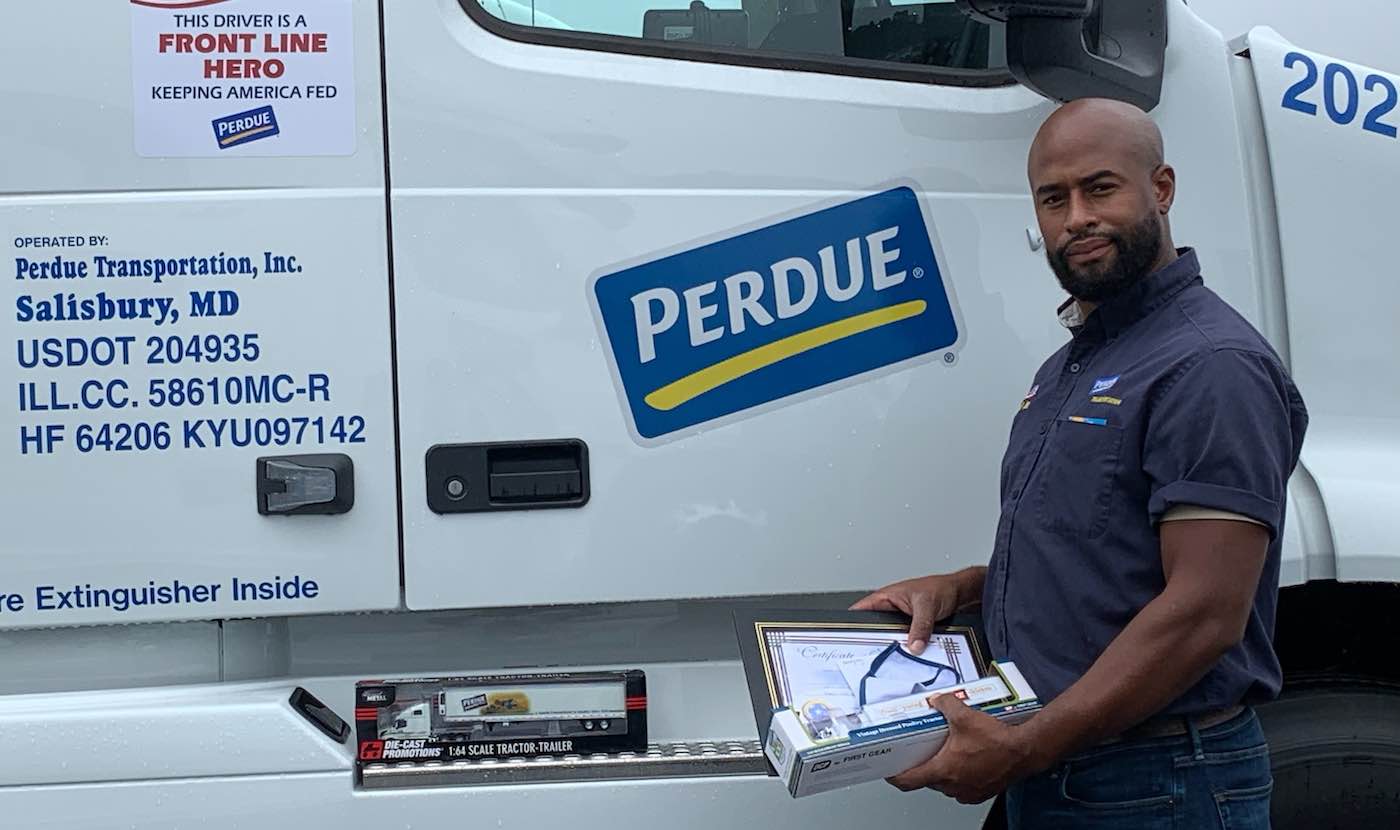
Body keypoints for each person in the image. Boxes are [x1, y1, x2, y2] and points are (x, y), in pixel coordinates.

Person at [852, 97, 1308, 828]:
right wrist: (963, 589)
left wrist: (1023, 747)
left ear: (1161, 188)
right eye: (1053, 199)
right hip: (1069, 771)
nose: (1076, 219)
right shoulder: (1074, 364)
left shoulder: (1210, 365)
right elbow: (1100, 555)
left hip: (1158, 783)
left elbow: (1205, 613)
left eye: (1100, 189)